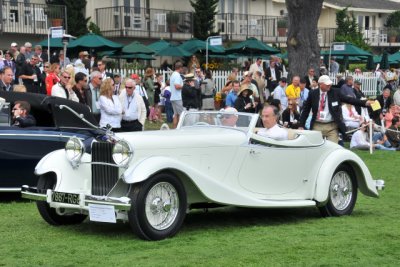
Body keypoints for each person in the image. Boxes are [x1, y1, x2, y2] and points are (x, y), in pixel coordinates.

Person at [299, 75, 371, 143]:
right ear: (320, 84)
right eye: (327, 84)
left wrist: (365, 103)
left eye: (330, 83)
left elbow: (349, 99)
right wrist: (301, 125)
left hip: (332, 126)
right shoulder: (313, 94)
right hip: (317, 125)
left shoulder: (336, 92)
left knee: (332, 148)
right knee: (317, 147)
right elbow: (306, 110)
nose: (329, 85)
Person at [170, 62, 184, 128]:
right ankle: (180, 129)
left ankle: (174, 129)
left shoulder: (173, 74)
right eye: (182, 68)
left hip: (173, 97)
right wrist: (184, 86)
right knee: (181, 114)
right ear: (180, 68)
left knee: (175, 114)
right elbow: (177, 86)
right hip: (178, 97)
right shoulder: (177, 75)